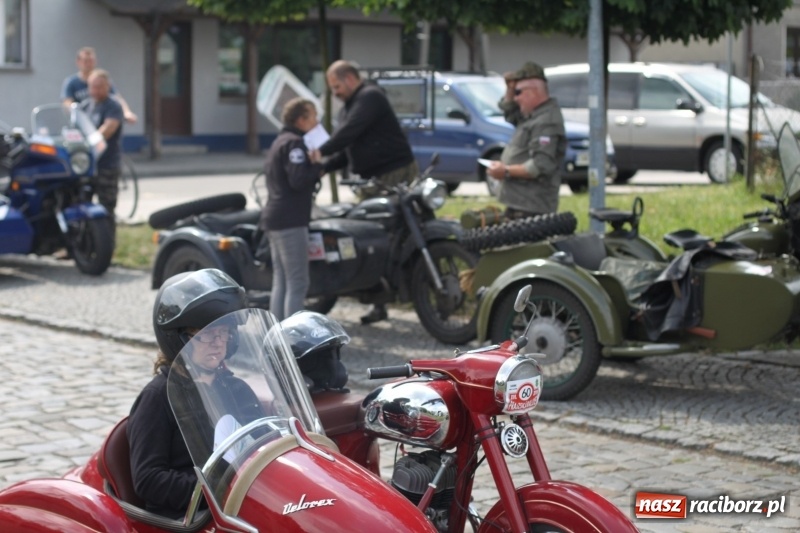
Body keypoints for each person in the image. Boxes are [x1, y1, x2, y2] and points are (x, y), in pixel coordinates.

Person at [127, 268, 263, 519]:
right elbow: (148, 479)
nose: (218, 342)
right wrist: (218, 487)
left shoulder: (237, 389)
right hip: (189, 518)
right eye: (207, 334)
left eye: (224, 333)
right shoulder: (158, 397)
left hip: (237, 507)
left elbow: (263, 445)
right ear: (177, 338)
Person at [309, 59, 418, 325]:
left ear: (349, 79)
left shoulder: (370, 96)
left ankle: (402, 286)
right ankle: (378, 299)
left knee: (387, 235)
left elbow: (349, 133)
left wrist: (321, 151)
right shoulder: (351, 105)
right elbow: (350, 148)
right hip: (373, 177)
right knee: (372, 237)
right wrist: (326, 167)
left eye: (336, 86)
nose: (334, 92)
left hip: (393, 174)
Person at [258, 98, 324, 321]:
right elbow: (298, 180)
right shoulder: (295, 144)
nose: (317, 121)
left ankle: (277, 334)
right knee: (298, 282)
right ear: (301, 119)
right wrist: (316, 165)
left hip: (275, 218)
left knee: (282, 280)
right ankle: (293, 340)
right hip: (290, 220)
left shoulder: (280, 141)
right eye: (313, 116)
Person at [487, 61, 567, 219]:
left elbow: (540, 165)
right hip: (520, 203)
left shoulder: (546, 121)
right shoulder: (531, 115)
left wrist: (505, 171)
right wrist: (510, 89)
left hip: (532, 206)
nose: (515, 99)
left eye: (518, 92)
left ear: (534, 92)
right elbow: (509, 112)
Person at [80, 68, 123, 232]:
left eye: (100, 87)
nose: (96, 91)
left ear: (108, 86)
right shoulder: (85, 106)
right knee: (81, 207)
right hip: (86, 167)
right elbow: (74, 128)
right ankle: (82, 248)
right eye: (93, 87)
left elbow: (108, 129)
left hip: (107, 166)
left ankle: (107, 249)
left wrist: (89, 142)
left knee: (106, 209)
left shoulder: (113, 106)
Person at [61, 46, 138, 123]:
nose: (88, 64)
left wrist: (126, 112)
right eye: (85, 61)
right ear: (78, 62)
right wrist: (75, 114)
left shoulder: (103, 80)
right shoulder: (71, 82)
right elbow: (67, 103)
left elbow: (117, 98)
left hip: (102, 119)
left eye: (91, 61)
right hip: (83, 122)